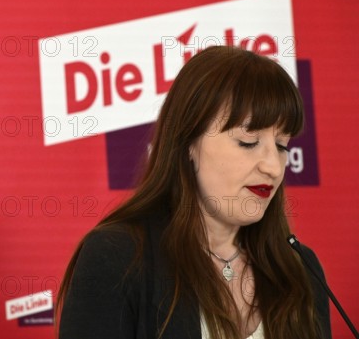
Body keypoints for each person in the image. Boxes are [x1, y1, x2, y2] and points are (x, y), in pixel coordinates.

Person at [56, 46, 331, 339]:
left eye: (282, 145)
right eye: (248, 141)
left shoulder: (301, 268)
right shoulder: (116, 257)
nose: (274, 167)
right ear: (188, 142)